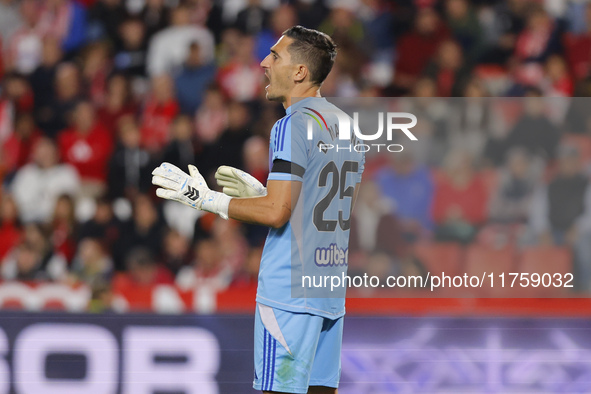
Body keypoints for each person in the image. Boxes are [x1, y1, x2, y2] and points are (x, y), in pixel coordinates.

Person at [152, 26, 364, 394]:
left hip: (288, 293)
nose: (264, 63)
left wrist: (206, 200)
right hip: (327, 292)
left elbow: (276, 214)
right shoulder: (346, 126)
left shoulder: (292, 125)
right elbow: (326, 210)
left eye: (276, 56)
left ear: (300, 72)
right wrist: (268, 193)